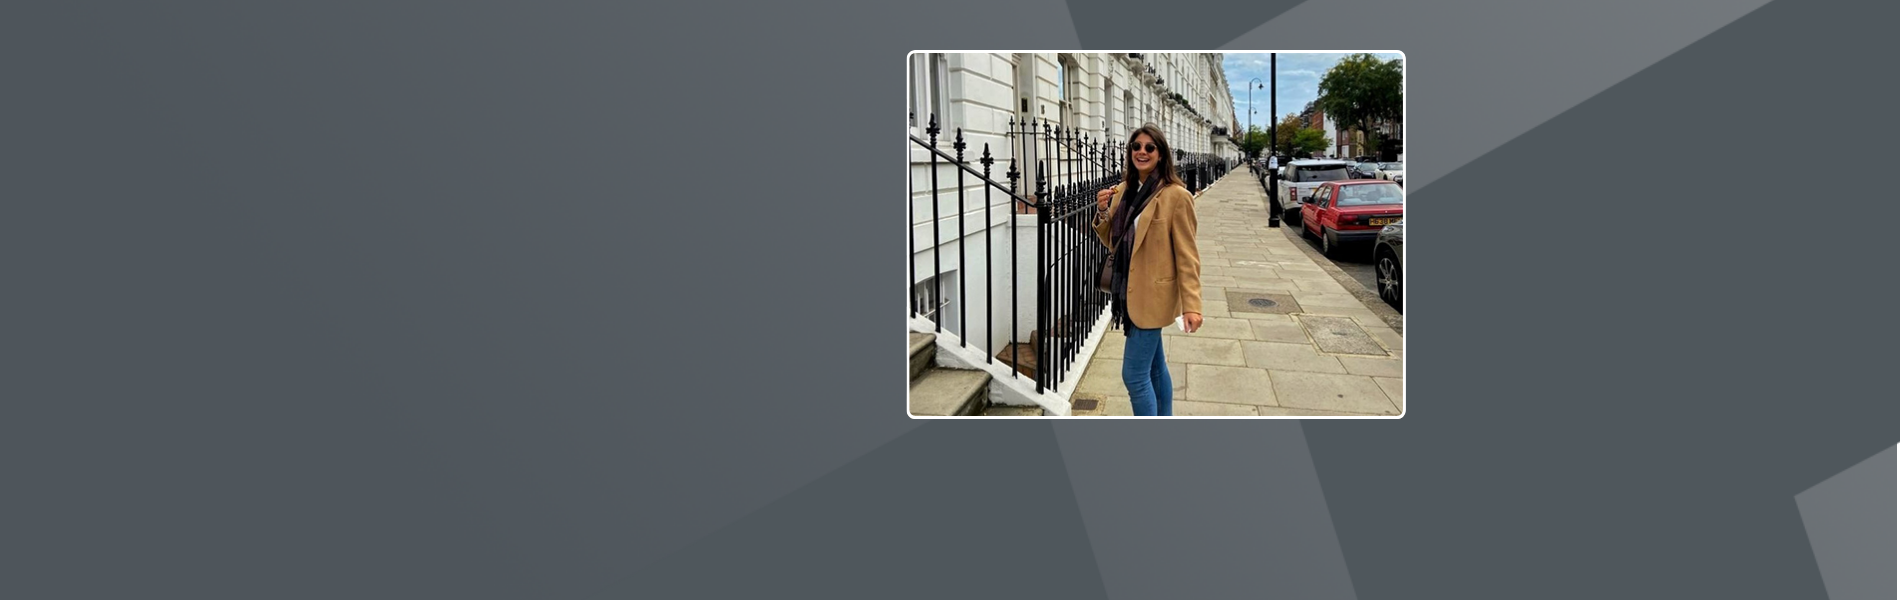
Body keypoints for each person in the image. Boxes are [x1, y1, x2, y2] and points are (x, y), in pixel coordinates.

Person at [1092, 124, 1204, 417]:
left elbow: (1188, 256)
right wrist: (1103, 212)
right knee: (1155, 369)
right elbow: (1113, 242)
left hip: (1154, 296)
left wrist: (1192, 305)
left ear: (1161, 154)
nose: (1142, 152)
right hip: (1129, 292)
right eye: (1136, 147)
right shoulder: (1124, 191)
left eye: (1149, 147)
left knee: (1134, 376)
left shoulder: (1176, 196)